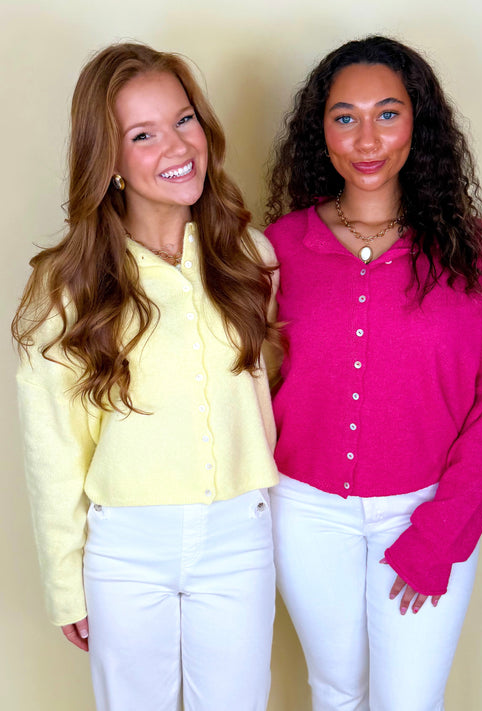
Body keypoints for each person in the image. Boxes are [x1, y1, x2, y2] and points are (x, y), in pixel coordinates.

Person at [264, 35, 482, 711]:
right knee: (335, 691)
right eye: (344, 117)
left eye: (387, 113)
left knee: (408, 700)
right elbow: (246, 379)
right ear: (320, 131)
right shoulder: (279, 247)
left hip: (426, 509)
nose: (366, 139)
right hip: (305, 512)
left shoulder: (471, 250)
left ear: (418, 123)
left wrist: (440, 531)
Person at [13, 41, 280, 711]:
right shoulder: (66, 287)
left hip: (239, 533)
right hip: (127, 547)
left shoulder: (250, 259)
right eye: (143, 134)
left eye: (184, 120)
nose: (177, 146)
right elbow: (52, 448)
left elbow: (272, 397)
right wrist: (65, 584)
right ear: (109, 162)